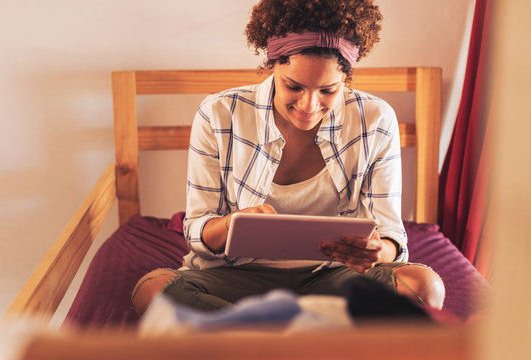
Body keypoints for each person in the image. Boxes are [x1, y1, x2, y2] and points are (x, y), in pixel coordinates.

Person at [132, 0, 445, 315]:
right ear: (271, 66)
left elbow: (392, 237)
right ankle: (312, 335)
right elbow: (198, 232)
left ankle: (249, 335)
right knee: (154, 291)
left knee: (423, 285)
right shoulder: (219, 114)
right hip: (234, 274)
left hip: (334, 274)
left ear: (346, 79)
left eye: (328, 91)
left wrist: (379, 250)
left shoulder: (375, 120)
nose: (309, 105)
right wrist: (233, 225)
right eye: (294, 87)